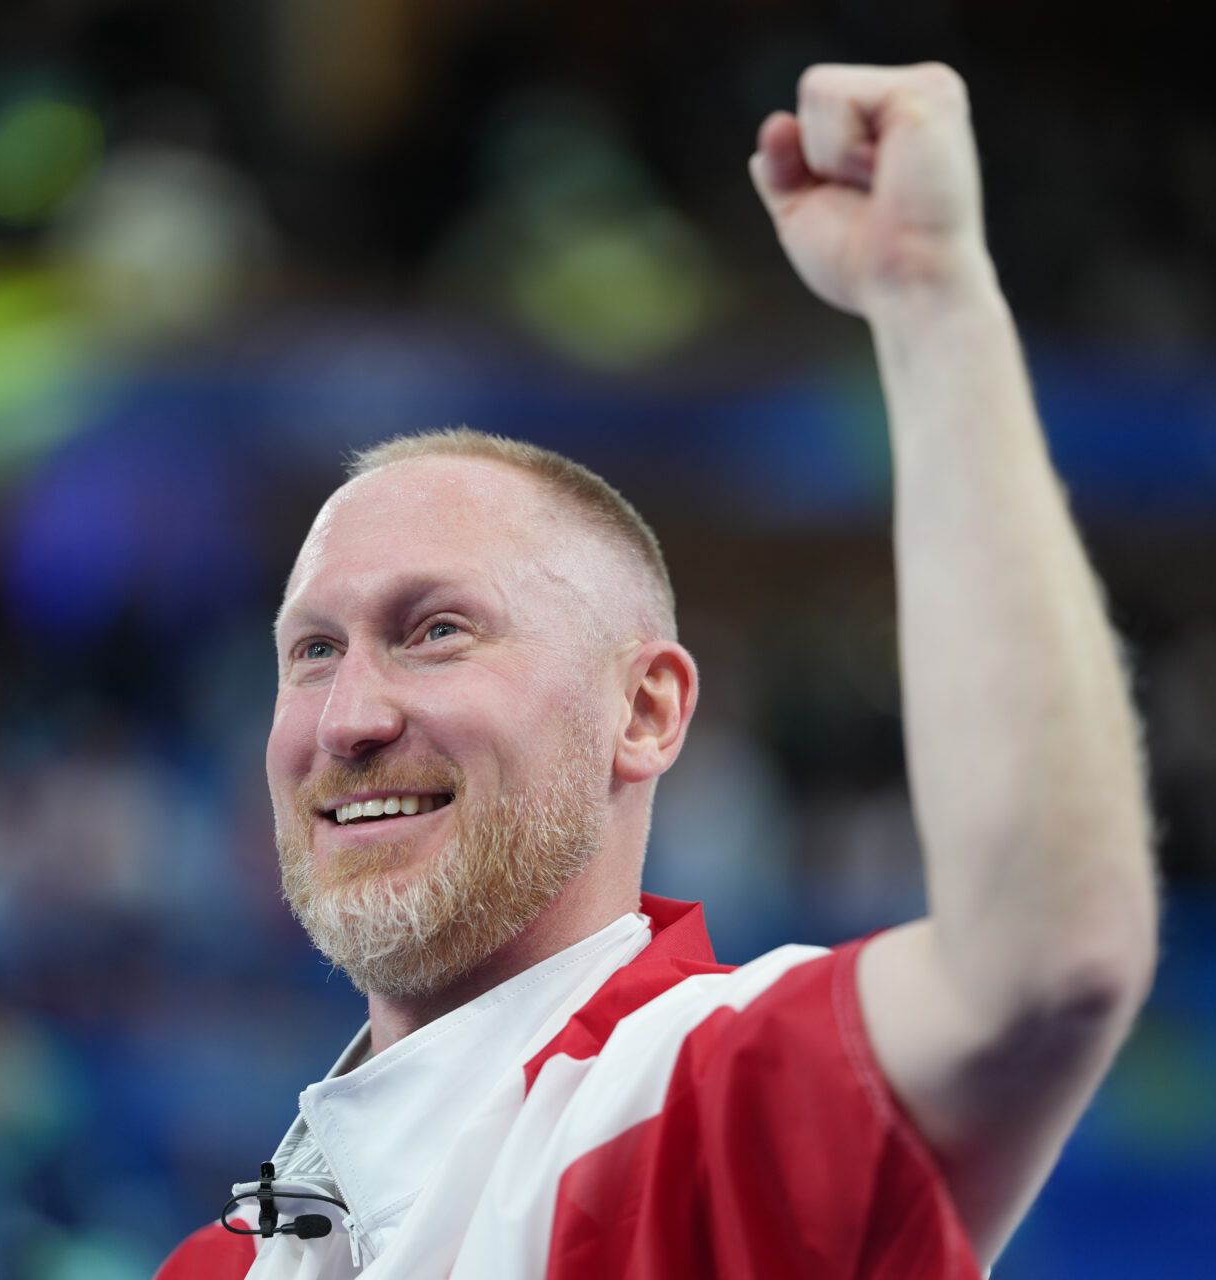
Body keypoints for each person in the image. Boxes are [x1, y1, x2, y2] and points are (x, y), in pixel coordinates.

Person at [159, 62, 1157, 1279]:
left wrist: (931, 298)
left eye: (438, 630)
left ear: (645, 710)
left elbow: (1042, 964)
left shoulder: (689, 1097)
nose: (349, 717)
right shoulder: (225, 1259)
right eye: (313, 649)